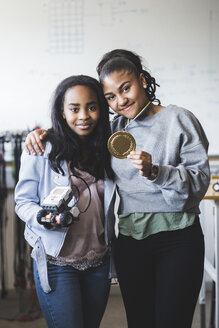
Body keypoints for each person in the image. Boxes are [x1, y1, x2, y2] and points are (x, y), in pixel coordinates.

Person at [24, 49, 210, 328]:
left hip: (178, 238)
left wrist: (156, 171)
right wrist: (40, 135)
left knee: (173, 320)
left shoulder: (179, 119)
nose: (121, 101)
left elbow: (199, 182)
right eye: (110, 97)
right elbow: (76, 127)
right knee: (139, 321)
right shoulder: (112, 131)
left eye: (126, 89)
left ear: (143, 80)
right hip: (130, 241)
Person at [14, 74, 116, 328]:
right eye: (74, 108)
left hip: (98, 262)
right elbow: (23, 202)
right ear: (61, 111)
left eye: (91, 107)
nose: (84, 115)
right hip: (56, 262)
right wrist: (41, 217)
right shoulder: (41, 148)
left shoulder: (108, 148)